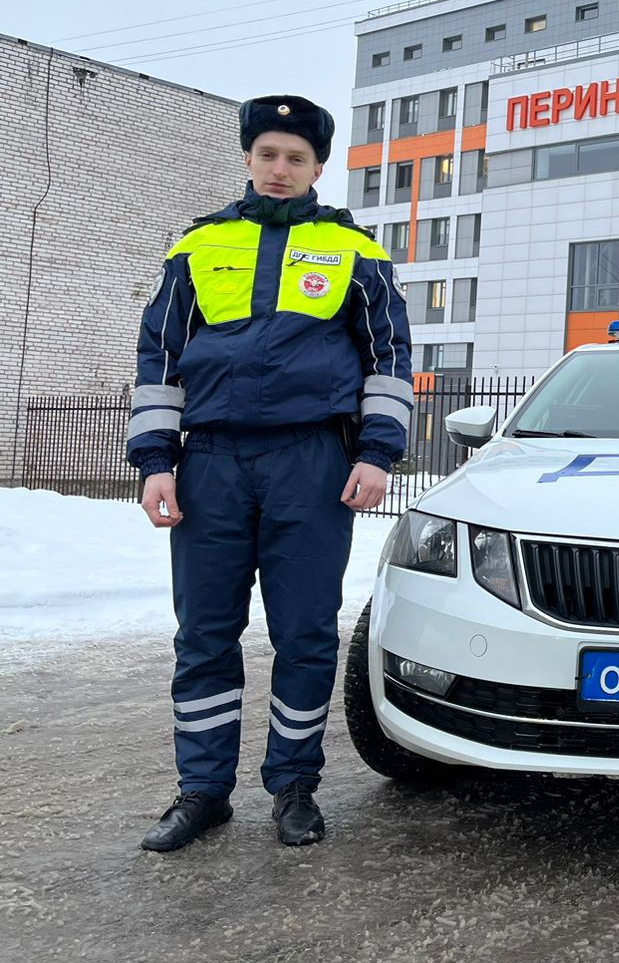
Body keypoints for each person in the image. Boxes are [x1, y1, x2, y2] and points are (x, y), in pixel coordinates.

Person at [127, 95, 413, 852]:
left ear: (319, 167)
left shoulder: (357, 252)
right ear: (248, 160)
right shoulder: (196, 248)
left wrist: (377, 453)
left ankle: (293, 786)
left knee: (307, 634)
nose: (280, 169)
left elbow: (390, 360)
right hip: (211, 461)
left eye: (296, 157)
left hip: (313, 463)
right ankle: (202, 792)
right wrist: (156, 462)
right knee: (205, 635)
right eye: (267, 155)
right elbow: (157, 359)